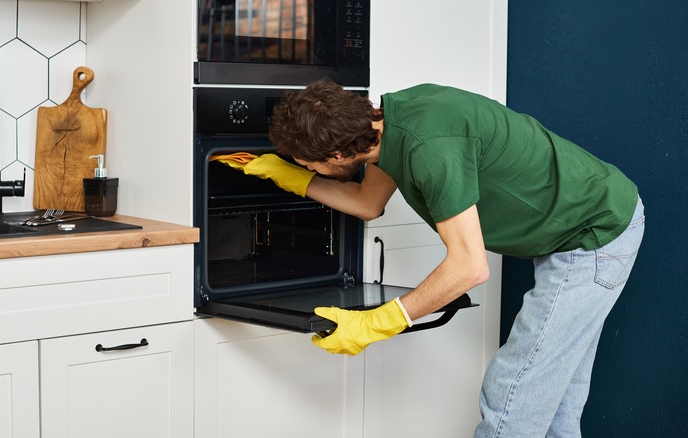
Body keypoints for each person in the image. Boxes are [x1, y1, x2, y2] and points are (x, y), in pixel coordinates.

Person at [214, 78, 644, 436]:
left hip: (591, 236)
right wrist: (288, 178)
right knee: (554, 402)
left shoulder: (429, 149)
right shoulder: (388, 123)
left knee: (512, 393)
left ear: (341, 153)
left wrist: (378, 320)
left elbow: (469, 266)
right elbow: (368, 202)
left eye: (310, 164)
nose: (311, 170)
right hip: (575, 223)